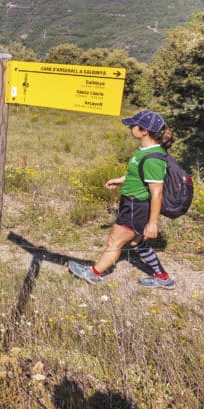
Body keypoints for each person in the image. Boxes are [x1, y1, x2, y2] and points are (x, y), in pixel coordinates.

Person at [69, 110, 176, 289]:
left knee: (115, 241)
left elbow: (157, 193)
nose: (130, 127)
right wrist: (120, 180)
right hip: (132, 204)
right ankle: (163, 278)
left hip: (136, 207)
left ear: (144, 131)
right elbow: (138, 174)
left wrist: (152, 223)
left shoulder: (153, 158)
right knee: (135, 242)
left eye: (134, 125)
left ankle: (93, 273)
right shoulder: (144, 151)